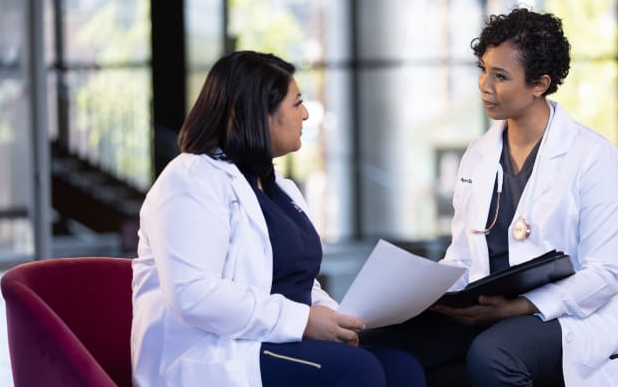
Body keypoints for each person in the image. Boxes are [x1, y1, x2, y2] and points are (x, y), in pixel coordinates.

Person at [361, 8, 618, 387]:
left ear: (540, 84)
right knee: (375, 345)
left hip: (566, 313)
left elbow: (604, 273)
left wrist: (521, 306)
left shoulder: (592, 155)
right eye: (483, 69)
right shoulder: (478, 154)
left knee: (494, 354)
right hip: (485, 307)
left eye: (500, 76)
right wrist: (432, 293)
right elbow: (461, 254)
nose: (484, 85)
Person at [131, 51, 425, 387]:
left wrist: (335, 319)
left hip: (273, 339)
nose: (306, 114)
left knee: (403, 368)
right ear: (261, 115)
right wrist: (302, 322)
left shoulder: (277, 188)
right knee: (358, 371)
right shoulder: (190, 180)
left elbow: (300, 283)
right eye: (296, 103)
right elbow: (194, 295)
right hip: (218, 353)